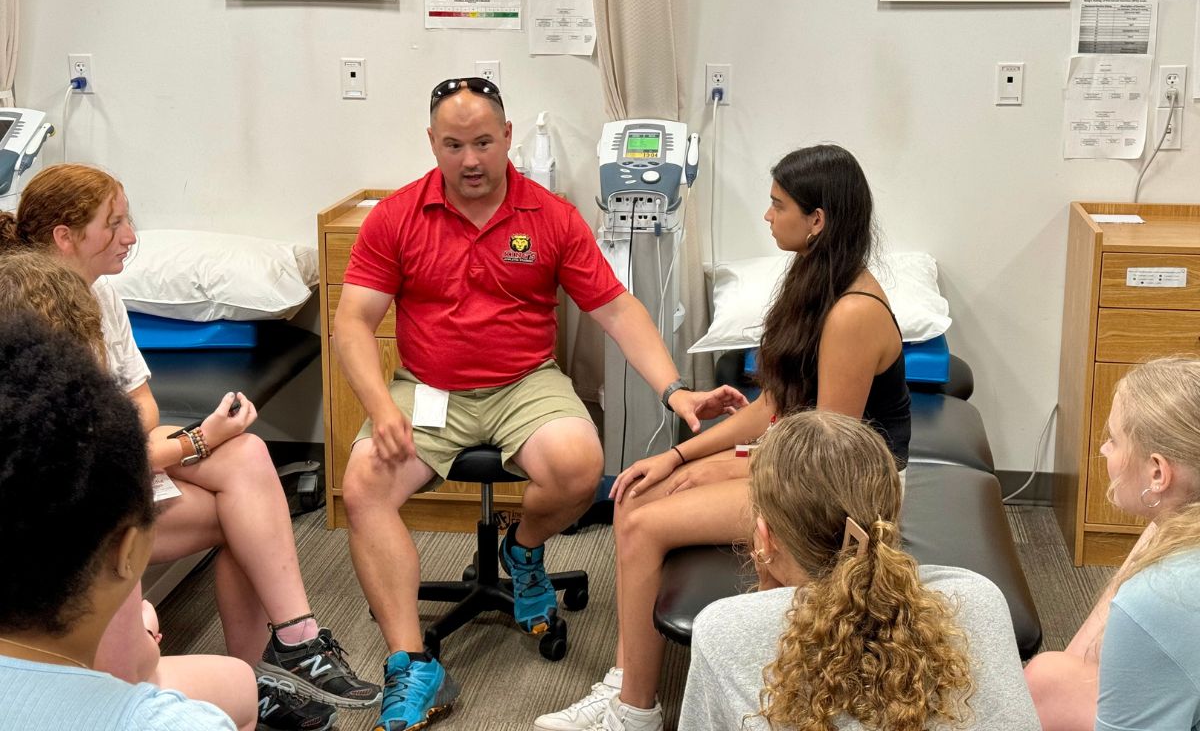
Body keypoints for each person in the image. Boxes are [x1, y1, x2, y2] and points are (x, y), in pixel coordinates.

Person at [333, 76, 746, 731]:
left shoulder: (549, 216)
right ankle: (413, 662)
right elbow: (353, 322)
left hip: (525, 380)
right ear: (432, 144)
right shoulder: (398, 216)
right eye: (453, 145)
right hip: (429, 389)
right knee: (362, 487)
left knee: (581, 464)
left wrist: (675, 388)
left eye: (483, 142)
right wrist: (382, 406)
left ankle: (523, 549)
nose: (470, 159)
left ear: (507, 137)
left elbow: (616, 308)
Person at [539, 144, 911, 731]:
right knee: (641, 490)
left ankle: (634, 709)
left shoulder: (852, 313)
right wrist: (675, 455)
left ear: (818, 220)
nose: (767, 216)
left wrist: (734, 467)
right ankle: (628, 682)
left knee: (639, 519)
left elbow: (826, 457)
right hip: (804, 464)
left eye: (778, 205)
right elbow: (774, 406)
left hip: (846, 494)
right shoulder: (812, 281)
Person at [0, 163, 381, 731]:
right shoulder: (33, 320)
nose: (131, 236)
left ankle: (289, 649)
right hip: (74, 509)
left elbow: (141, 411)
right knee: (242, 512)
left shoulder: (101, 294)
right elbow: (88, 459)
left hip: (112, 468)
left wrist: (180, 439)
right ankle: (267, 672)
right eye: (116, 223)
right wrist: (199, 439)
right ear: (64, 237)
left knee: (248, 456)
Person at [0, 249, 259, 730]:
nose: (128, 237)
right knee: (239, 683)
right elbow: (131, 670)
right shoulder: (99, 519)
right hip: (99, 680)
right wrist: (140, 630)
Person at [679, 410, 1040, 731]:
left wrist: (767, 591)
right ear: (893, 514)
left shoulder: (722, 630)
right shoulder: (977, 597)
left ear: (765, 536)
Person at [1025, 356, 1200, 731]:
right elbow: (1084, 658)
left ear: (1158, 471)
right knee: (1048, 677)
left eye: (1114, 439)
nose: (1104, 450)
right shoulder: (1181, 533)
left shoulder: (1161, 597)